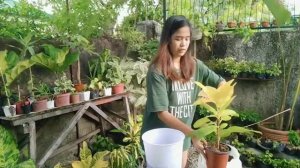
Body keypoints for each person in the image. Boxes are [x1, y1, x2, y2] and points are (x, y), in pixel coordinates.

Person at [140, 15, 225, 168]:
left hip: (182, 136)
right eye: (178, 39)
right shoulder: (157, 71)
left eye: (187, 38)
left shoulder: (195, 65)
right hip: (160, 140)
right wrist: (194, 135)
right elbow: (162, 113)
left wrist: (208, 96)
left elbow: (222, 84)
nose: (183, 44)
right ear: (168, 39)